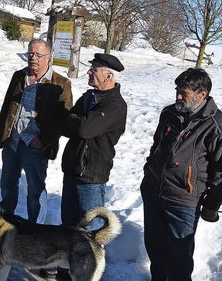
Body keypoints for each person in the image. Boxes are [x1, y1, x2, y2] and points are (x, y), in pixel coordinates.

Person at [142, 68, 222, 281]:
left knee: (179, 256)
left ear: (201, 95)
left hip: (183, 201)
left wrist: (212, 206)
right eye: (177, 90)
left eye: (183, 93)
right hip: (153, 191)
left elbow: (221, 173)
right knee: (155, 248)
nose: (177, 96)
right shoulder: (169, 113)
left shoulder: (215, 125)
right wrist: (148, 173)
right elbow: (156, 145)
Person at [0, 39, 72, 222]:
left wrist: (44, 140)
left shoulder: (61, 83)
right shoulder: (19, 76)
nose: (33, 58)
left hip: (35, 144)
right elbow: (7, 106)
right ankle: (5, 224)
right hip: (13, 140)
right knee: (7, 184)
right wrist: (2, 135)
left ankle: (35, 230)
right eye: (30, 54)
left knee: (35, 189)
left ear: (48, 57)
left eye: (38, 55)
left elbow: (63, 118)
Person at [60, 53, 126, 231]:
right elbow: (65, 125)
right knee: (68, 227)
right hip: (72, 170)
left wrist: (78, 122)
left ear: (109, 76)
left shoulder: (115, 105)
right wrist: (78, 120)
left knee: (91, 231)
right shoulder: (89, 97)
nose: (89, 72)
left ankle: (95, 260)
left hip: (91, 176)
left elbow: (84, 130)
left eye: (94, 69)